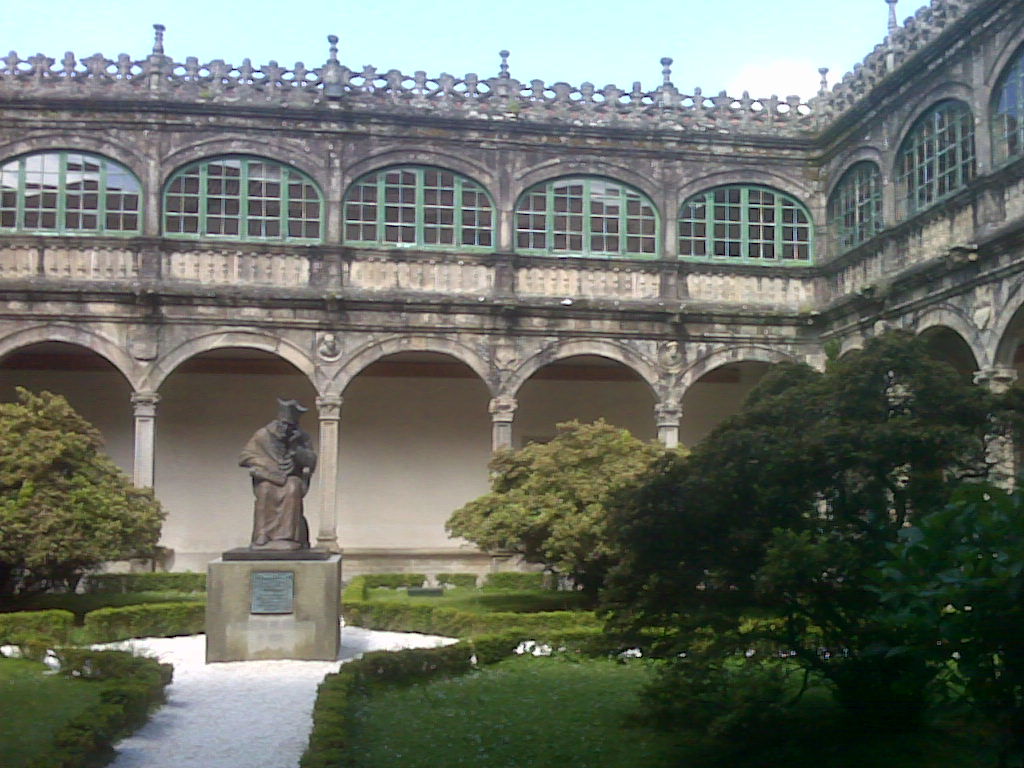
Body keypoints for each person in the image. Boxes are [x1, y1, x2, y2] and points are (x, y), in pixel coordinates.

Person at [239, 398, 317, 551]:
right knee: (266, 490)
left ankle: (287, 537)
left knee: (292, 488)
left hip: (291, 477)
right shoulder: (263, 435)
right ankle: (263, 535)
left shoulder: (302, 437)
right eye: (283, 424)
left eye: (290, 426)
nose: (285, 429)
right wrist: (265, 464)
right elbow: (245, 457)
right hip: (268, 476)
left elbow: (311, 461)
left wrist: (297, 451)